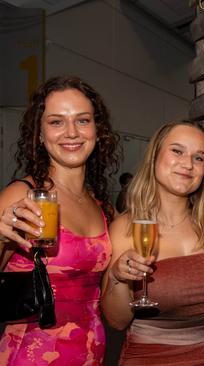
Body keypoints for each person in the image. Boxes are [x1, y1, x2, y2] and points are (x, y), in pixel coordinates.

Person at [0, 76, 120, 365]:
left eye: (82, 120)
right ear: (39, 135)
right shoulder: (22, 195)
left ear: (97, 130)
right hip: (33, 355)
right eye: (56, 122)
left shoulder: (101, 206)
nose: (71, 132)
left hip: (92, 352)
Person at [101, 122, 204, 365]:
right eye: (177, 151)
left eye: (199, 157)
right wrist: (118, 278)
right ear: (154, 157)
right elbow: (117, 321)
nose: (188, 164)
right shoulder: (126, 227)